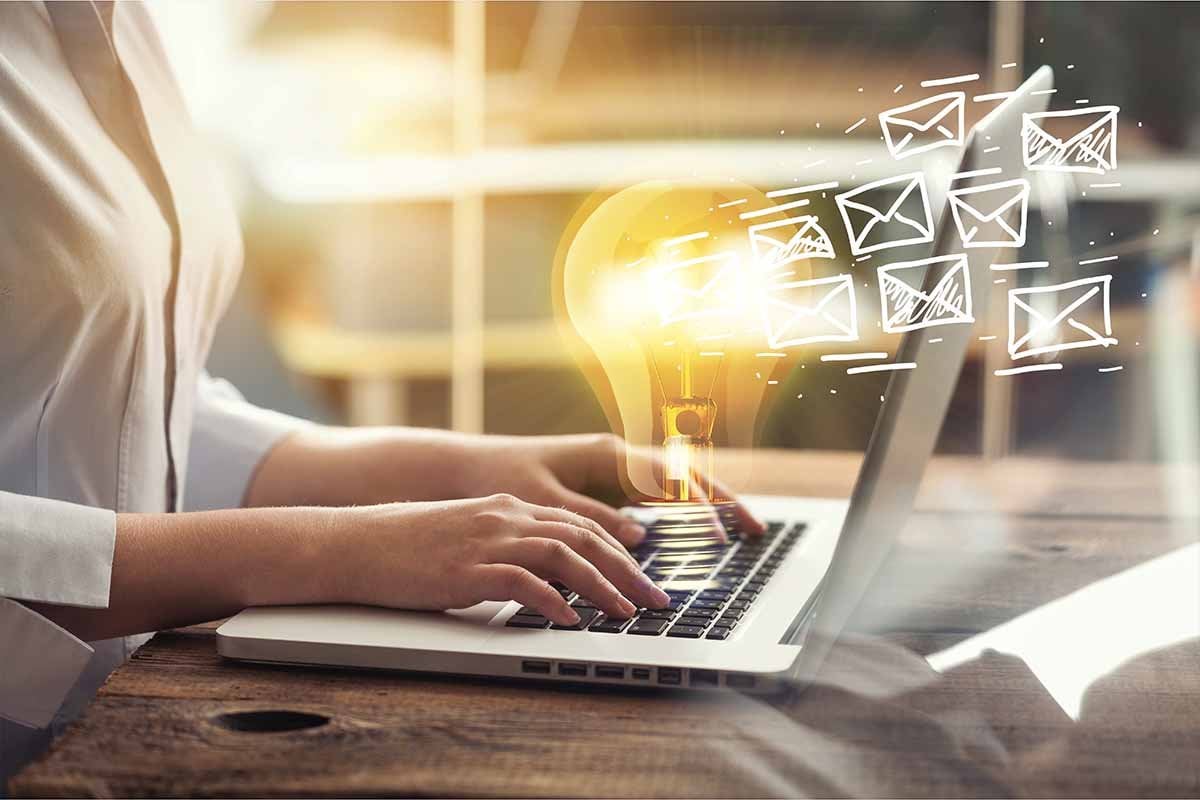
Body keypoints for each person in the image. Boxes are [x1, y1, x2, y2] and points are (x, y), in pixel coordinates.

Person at [0, 0, 760, 779]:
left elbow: (126, 408)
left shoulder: (107, 21)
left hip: (114, 723)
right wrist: (332, 548)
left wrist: (439, 469)